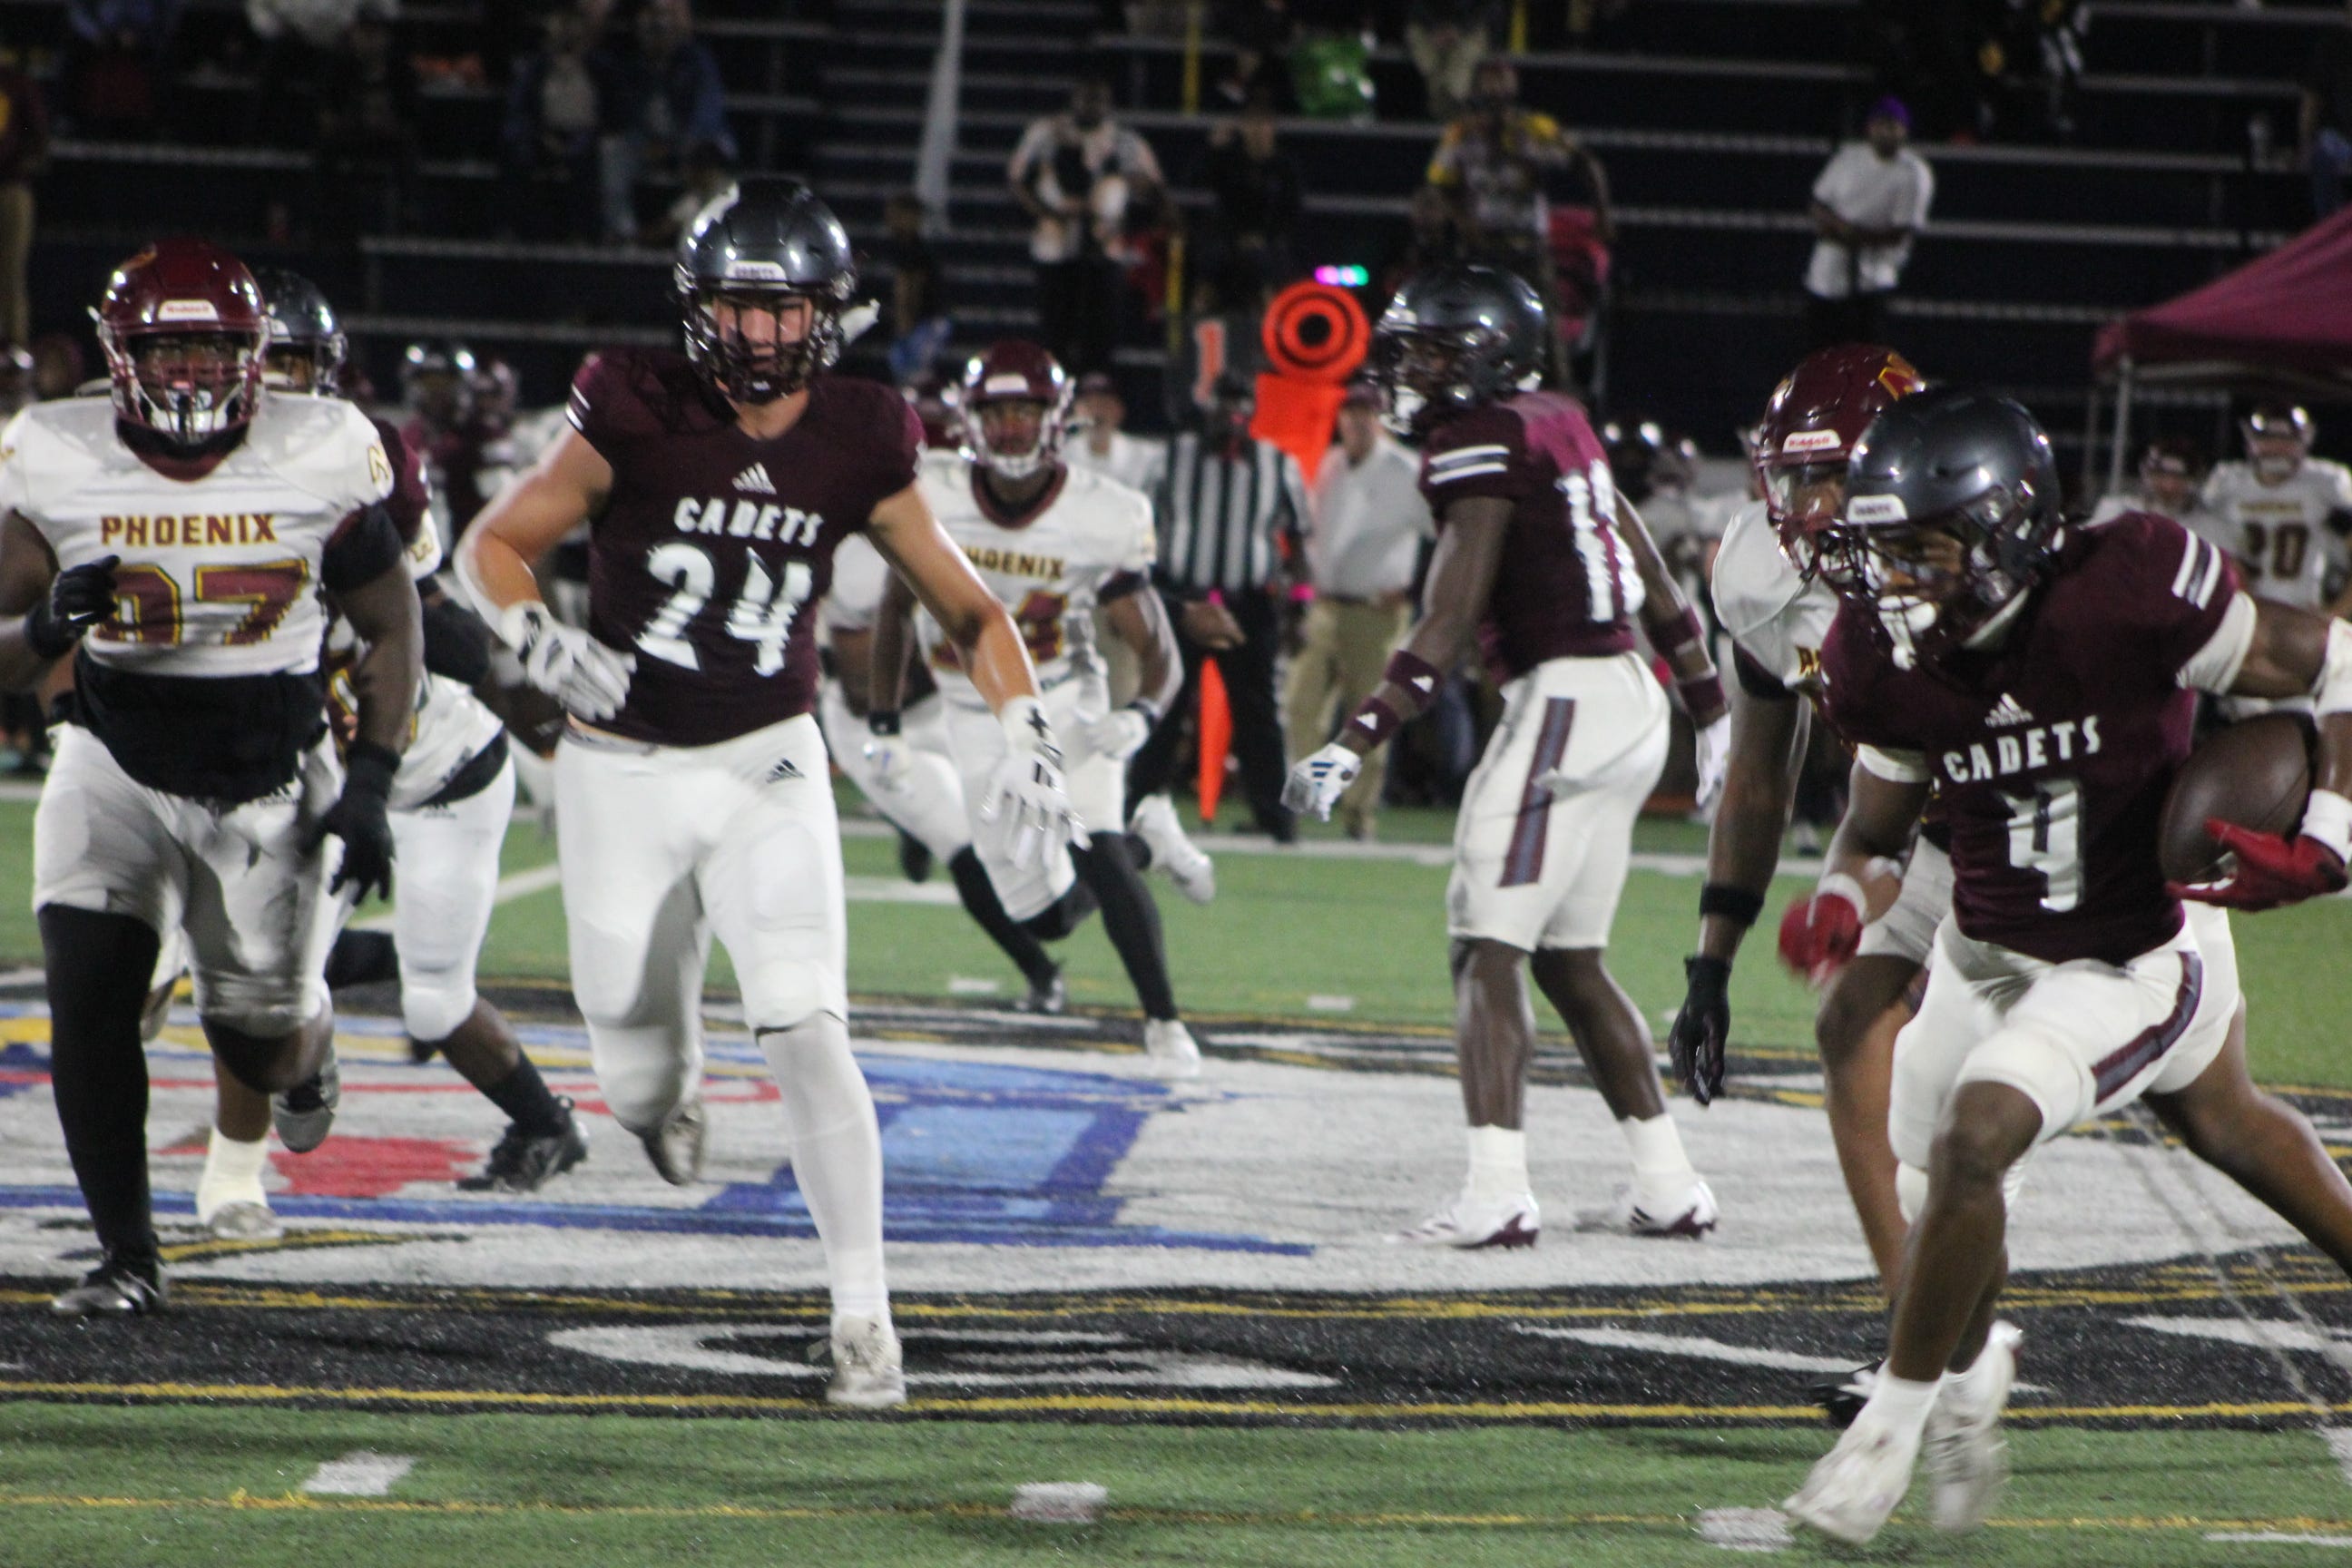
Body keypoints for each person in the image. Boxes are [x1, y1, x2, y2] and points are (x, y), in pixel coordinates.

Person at [456, 183, 1083, 1409]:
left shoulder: (862, 432)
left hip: (768, 759)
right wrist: (534, 637)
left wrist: (1026, 729)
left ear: (827, 315)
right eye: (735, 308)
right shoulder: (633, 404)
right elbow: (491, 546)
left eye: (779, 309)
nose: (754, 337)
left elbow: (971, 610)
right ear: (698, 311)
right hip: (620, 767)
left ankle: (864, 1314)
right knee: (635, 1083)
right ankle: (669, 1070)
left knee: (806, 1023)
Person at [1783, 384, 2352, 1544]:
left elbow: (2338, 659)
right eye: (1881, 550)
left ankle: (1890, 1430)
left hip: (2134, 950)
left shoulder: (2130, 583)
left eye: (1921, 548)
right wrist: (1843, 894)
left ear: (2009, 532)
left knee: (1979, 1133)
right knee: (1966, 1185)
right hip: (1985, 945)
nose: (1892, 578)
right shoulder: (1879, 653)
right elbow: (1879, 825)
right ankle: (1973, 1377)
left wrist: (2336, 823)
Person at [1, 239, 421, 1313]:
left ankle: (309, 1033)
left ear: (254, 356)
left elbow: (390, 621)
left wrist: (370, 776)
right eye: (166, 352)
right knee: (90, 1003)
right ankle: (128, 1259)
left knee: (261, 1048)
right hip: (114, 758)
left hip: (266, 773)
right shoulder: (52, 450)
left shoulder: (320, 445)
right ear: (119, 358)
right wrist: (47, 624)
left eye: (210, 352)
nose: (188, 376)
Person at [1286, 263, 1729, 1248]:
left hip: (1565, 698)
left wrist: (1355, 740)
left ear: (1486, 355)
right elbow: (1651, 575)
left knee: (1485, 943)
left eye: (1432, 353)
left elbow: (1448, 614)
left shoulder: (1473, 442)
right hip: (1627, 701)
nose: (1411, 371)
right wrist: (1709, 709)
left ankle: (1497, 1192)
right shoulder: (1556, 419)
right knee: (1571, 962)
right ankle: (1667, 1182)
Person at [185, 269, 586, 1240]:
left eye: (295, 364)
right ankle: (278, 1097)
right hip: (325, 775)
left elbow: (436, 635)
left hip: (444, 774)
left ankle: (546, 1125)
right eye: (263, 362)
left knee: (438, 996)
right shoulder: (184, 479)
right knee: (272, 991)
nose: (278, 387)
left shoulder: (369, 467)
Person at [1668, 344, 1930, 1296]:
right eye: (1795, 477)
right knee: (1865, 1031)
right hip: (1908, 830)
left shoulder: (1954, 548)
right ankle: (1929, 1338)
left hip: (2033, 825)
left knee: (2205, 1107)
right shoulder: (1756, 575)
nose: (1812, 506)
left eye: (1835, 475)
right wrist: (1710, 963)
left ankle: (1935, 1339)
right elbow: (1757, 778)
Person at [867, 341, 1205, 1075]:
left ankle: (1165, 1023)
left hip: (1061, 695)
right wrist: (885, 724)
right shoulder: (935, 492)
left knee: (1099, 846)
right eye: (999, 411)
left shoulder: (1101, 513)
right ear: (970, 419)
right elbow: (895, 608)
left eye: (1027, 410)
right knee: (1043, 918)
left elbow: (1157, 643)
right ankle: (1154, 840)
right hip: (969, 708)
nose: (1014, 427)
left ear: (1056, 419)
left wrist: (1141, 713)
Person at [818, 529, 1073, 1013]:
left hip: (944, 706)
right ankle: (1039, 970)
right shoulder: (851, 562)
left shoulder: (952, 532)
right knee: (960, 843)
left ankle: (911, 826)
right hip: (875, 722)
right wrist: (887, 724)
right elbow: (860, 682)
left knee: (1006, 827)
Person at [1130, 370, 1308, 843]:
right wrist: (1149, 596)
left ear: (1252, 411)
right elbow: (1140, 527)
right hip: (1183, 600)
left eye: (1240, 405)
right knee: (1162, 706)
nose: (1231, 416)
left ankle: (1276, 816)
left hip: (1247, 604)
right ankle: (1135, 807)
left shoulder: (1277, 464)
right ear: (1207, 407)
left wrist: (1300, 606)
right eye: (1224, 404)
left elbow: (1298, 540)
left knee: (1257, 713)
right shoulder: (1172, 458)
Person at [1282, 377, 1434, 840]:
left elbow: (1443, 535)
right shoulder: (1330, 463)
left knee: (1367, 714)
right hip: (1326, 607)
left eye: (1366, 413)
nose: (1357, 421)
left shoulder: (1406, 469)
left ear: (1382, 419)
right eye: (1350, 412)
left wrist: (1419, 588)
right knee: (1299, 704)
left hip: (1377, 611)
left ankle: (1358, 813)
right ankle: (1307, 798)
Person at [1423, 60, 1613, 375]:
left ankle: (1561, 396)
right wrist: (1461, 220)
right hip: (1482, 245)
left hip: (1527, 244)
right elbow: (1439, 185)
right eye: (1488, 82)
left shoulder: (1532, 129)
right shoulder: (1461, 133)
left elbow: (1585, 163)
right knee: (1472, 328)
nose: (1495, 90)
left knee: (1547, 330)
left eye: (1502, 81)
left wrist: (1602, 214)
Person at [1005, 78, 1165, 377]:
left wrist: (1121, 212)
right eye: (1085, 98)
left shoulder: (1123, 140)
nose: (1091, 106)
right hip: (1057, 236)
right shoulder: (1047, 132)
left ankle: (1096, 380)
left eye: (1098, 99)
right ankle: (1055, 376)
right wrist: (1044, 214)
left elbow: (1153, 187)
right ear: (1073, 99)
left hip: (1104, 239)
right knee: (1056, 319)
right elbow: (1016, 179)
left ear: (1109, 104)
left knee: (1101, 321)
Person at [593, 0, 736, 247]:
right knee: (611, 151)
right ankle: (623, 236)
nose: (658, 27)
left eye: (665, 17)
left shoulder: (696, 62)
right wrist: (645, 143)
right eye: (651, 18)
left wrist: (685, 145)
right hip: (643, 144)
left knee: (714, 170)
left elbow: (706, 112)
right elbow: (624, 115)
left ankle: (699, 246)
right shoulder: (630, 66)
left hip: (691, 144)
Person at [1803, 97, 1934, 349]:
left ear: (1904, 131)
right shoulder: (1849, 158)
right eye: (1880, 124)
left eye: (1893, 125)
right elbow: (1818, 202)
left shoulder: (1913, 172)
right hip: (1828, 274)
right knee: (1821, 351)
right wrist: (1839, 229)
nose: (1886, 132)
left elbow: (1901, 231)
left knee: (1869, 353)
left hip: (1873, 277)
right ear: (1870, 128)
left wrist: (1852, 236)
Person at [2200, 403, 2352, 618]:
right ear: (2250, 442)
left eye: (2287, 441)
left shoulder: (2326, 484)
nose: (2277, 448)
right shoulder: (2227, 483)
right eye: (2266, 440)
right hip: (2238, 613)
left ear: (2305, 442)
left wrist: (2334, 613)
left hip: (2303, 612)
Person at [501, 5, 603, 241]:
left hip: (586, 140)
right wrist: (541, 137)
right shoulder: (536, 69)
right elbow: (520, 110)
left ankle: (586, 235)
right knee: (517, 151)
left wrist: (580, 141)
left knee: (596, 160)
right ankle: (519, 231)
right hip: (542, 137)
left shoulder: (598, 68)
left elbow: (612, 115)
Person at [1199, 93, 1303, 310]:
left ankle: (1272, 327)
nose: (1258, 131)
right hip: (1230, 239)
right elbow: (1206, 186)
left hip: (1270, 241)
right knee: (1211, 259)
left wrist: (1264, 237)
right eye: (1252, 124)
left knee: (1266, 263)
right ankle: (1196, 325)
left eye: (1264, 124)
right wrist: (1213, 150)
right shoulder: (1230, 162)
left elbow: (1290, 213)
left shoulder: (1284, 168)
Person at [2087, 435, 2228, 552]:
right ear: (2146, 474)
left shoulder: (2210, 529)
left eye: (2179, 478)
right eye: (2160, 475)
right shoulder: (2116, 513)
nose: (2169, 486)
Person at [0, 47, 46, 348]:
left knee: (11, 272)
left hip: (10, 187)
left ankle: (14, 350)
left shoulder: (16, 84)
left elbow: (38, 138)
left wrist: (15, 166)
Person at [1065, 371, 1165, 495]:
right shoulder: (1059, 457)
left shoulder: (1148, 457)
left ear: (1119, 410)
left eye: (1104, 405)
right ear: (1075, 411)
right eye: (1088, 405)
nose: (1096, 413)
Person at [1405, 0, 1502, 122]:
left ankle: (1452, 99)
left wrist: (1460, 30)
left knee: (1464, 53)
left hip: (1470, 29)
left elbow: (1491, 8)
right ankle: (1444, 105)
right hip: (1429, 29)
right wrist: (1434, 28)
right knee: (1418, 39)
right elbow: (1411, 8)